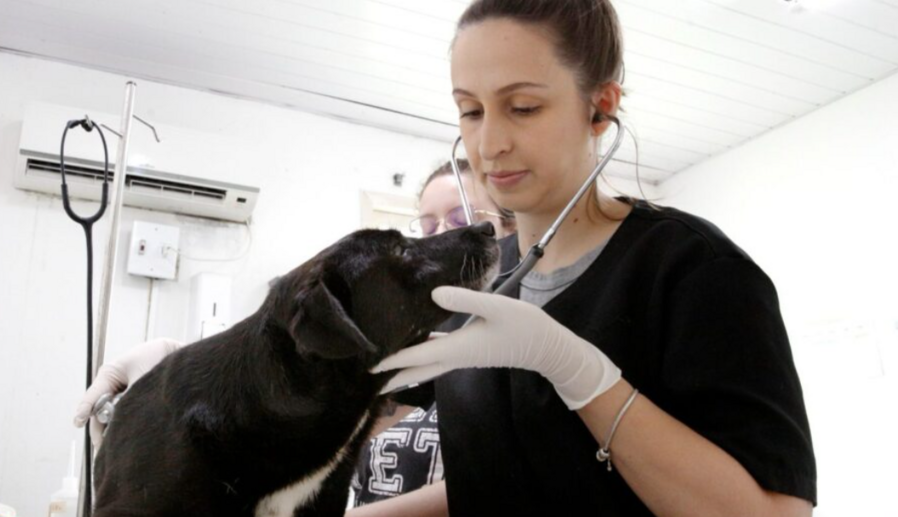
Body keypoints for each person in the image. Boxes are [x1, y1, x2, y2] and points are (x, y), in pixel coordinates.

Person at [76, 1, 817, 515]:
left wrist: (581, 372)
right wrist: (186, 366)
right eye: (469, 108)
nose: (488, 141)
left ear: (600, 107)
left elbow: (770, 513)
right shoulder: (466, 296)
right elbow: (495, 477)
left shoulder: (695, 273)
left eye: (522, 106)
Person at [348, 159, 514, 516]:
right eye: (428, 227)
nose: (442, 235)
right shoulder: (424, 321)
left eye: (459, 221)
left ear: (509, 226)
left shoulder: (519, 333)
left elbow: (497, 477)